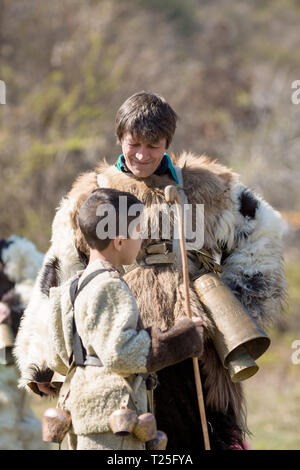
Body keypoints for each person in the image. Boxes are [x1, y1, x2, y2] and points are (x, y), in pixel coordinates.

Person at [15, 92, 286, 450]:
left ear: (167, 143)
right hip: (120, 338)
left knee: (200, 437)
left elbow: (262, 231)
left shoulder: (209, 187)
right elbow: (62, 267)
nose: (142, 155)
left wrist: (236, 305)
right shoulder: (94, 193)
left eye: (153, 145)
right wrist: (42, 359)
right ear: (120, 140)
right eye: (134, 144)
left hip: (196, 342)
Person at [42, 188, 203, 450]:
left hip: (84, 414)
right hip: (111, 422)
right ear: (118, 241)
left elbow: (59, 356)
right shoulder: (110, 285)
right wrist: (182, 338)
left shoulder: (74, 285)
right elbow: (122, 353)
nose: (140, 239)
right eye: (137, 231)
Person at [0, 235, 49, 450]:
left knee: (14, 421)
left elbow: (39, 300)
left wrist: (9, 310)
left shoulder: (18, 253)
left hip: (13, 359)